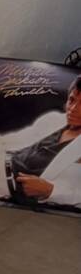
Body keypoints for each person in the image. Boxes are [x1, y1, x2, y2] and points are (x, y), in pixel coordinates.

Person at [7, 75, 81, 209]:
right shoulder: (53, 120)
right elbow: (9, 142)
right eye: (72, 99)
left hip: (20, 199)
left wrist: (50, 191)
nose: (73, 108)